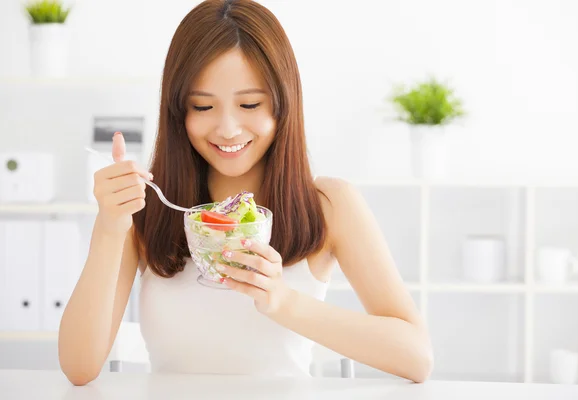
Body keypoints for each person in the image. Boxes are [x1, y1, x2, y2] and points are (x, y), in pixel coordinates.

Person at [58, 0, 433, 385]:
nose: (228, 129)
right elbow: (79, 366)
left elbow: (416, 357)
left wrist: (283, 302)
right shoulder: (146, 205)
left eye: (250, 103)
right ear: (178, 112)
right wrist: (109, 226)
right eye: (202, 106)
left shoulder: (329, 205)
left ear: (282, 105)